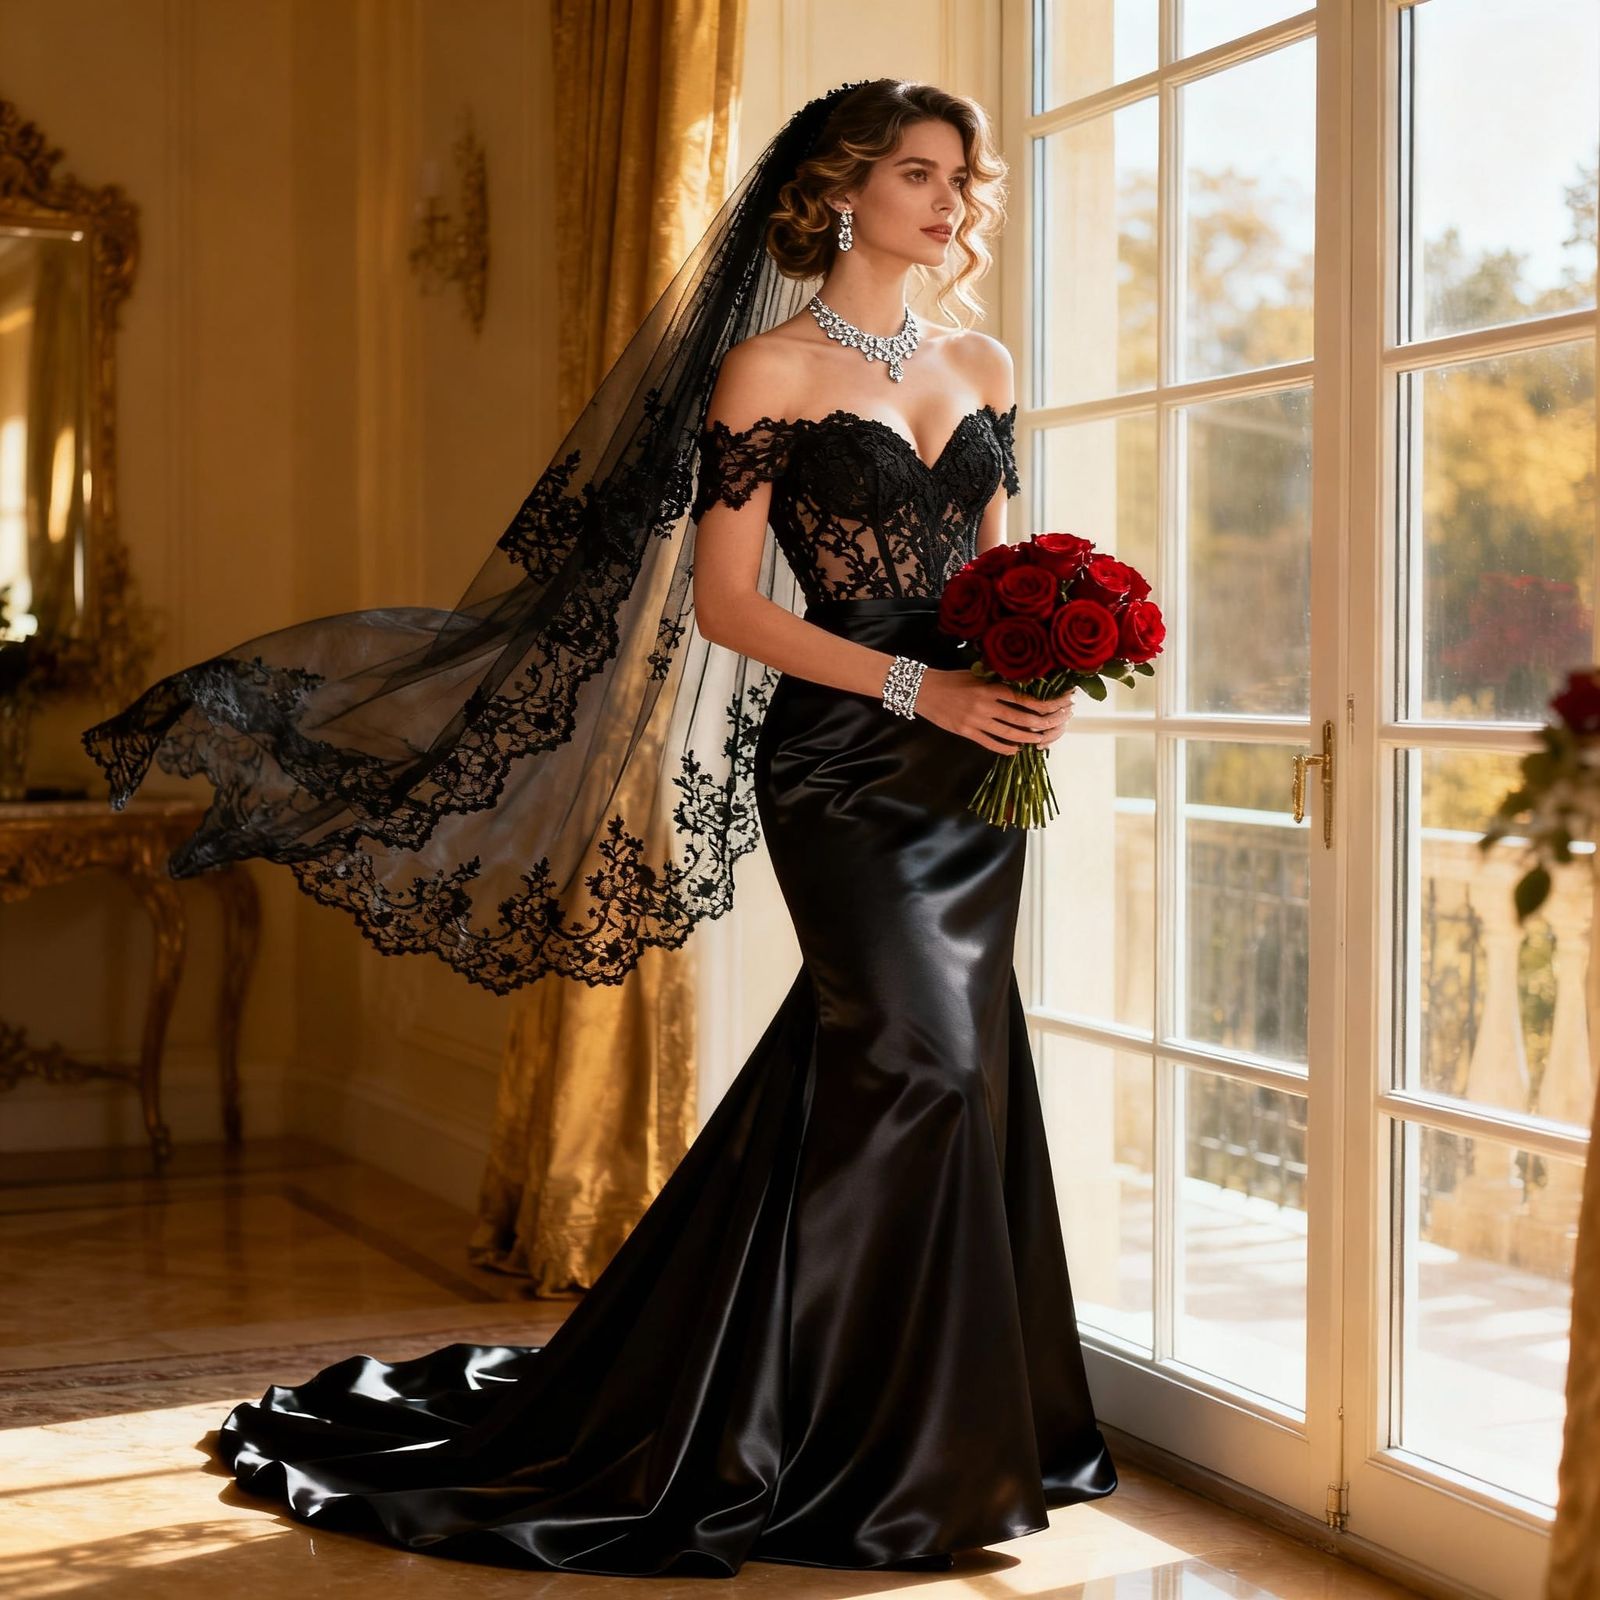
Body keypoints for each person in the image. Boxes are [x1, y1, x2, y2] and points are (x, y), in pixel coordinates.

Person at [84, 77, 1118, 1575]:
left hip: (973, 765)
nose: (949, 199)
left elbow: (994, 575)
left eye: (962, 176)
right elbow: (731, 605)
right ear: (842, 191)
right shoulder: (767, 369)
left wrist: (1035, 670)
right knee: (919, 1063)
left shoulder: (982, 358)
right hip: (844, 761)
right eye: (917, 171)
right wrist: (919, 687)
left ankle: (877, 1422)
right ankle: (856, 1447)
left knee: (912, 1069)